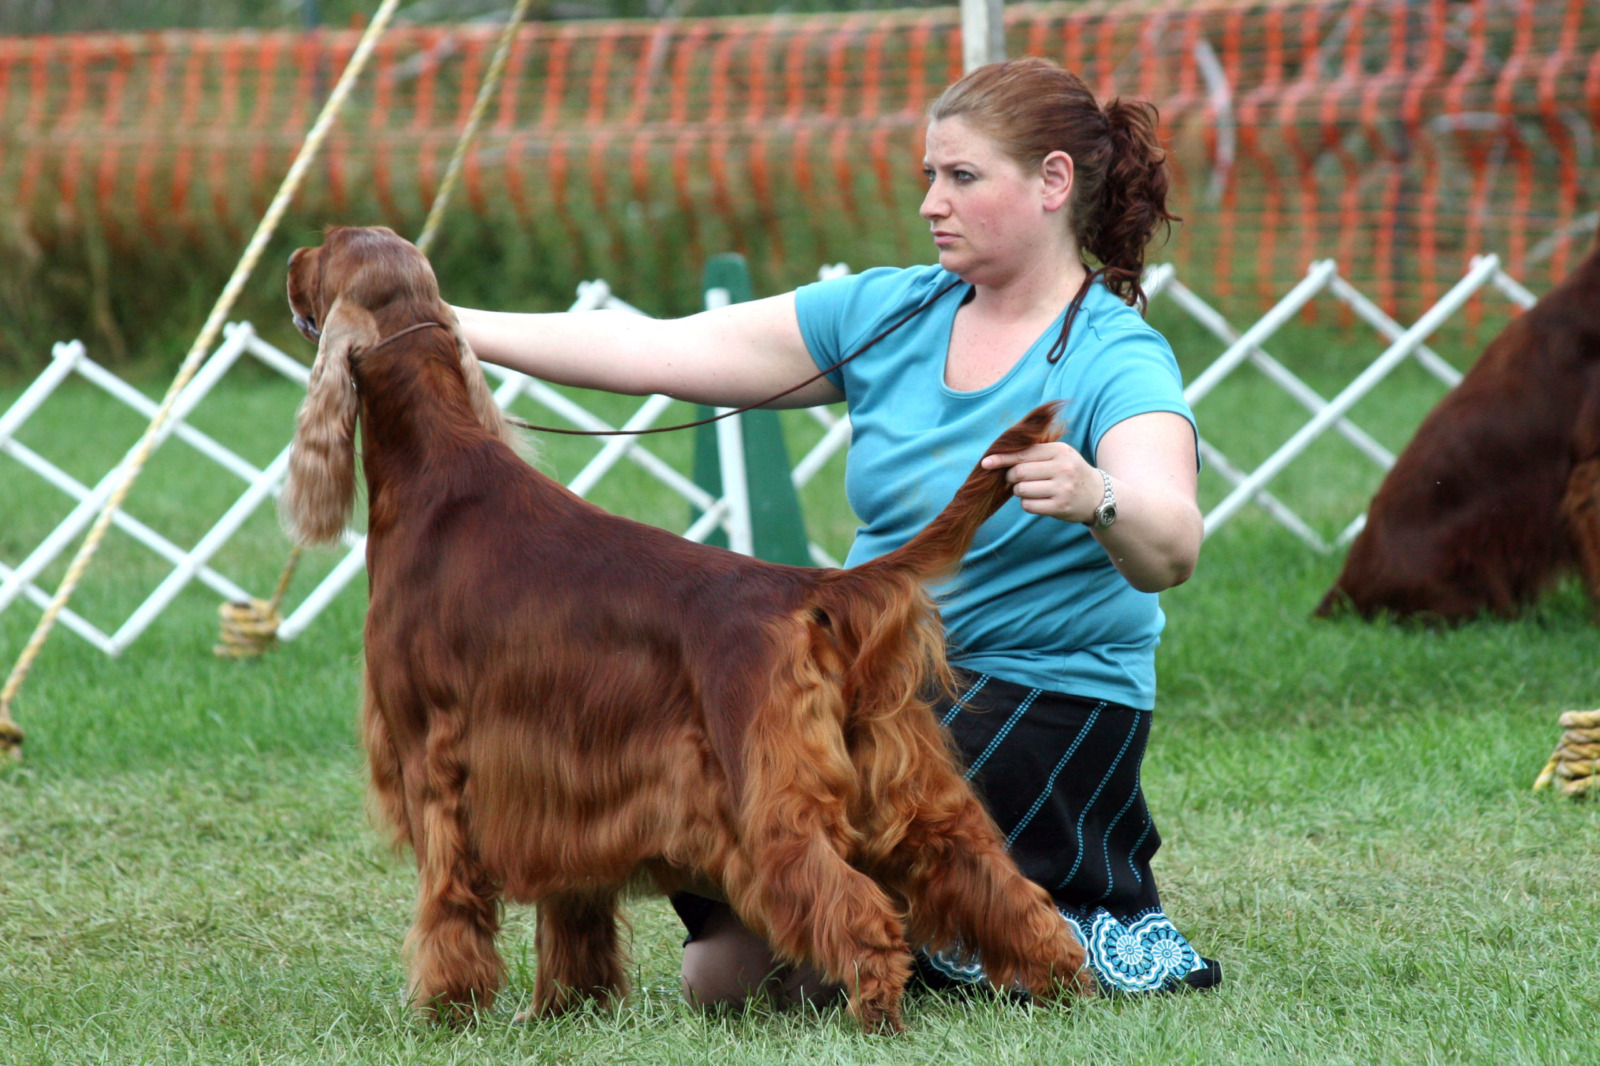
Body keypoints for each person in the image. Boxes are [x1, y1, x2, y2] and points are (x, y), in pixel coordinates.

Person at [453, 56, 1218, 1003]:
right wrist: (443, 321)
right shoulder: (890, 310)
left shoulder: (1115, 355)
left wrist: (1098, 493)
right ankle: (869, 926)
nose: (932, 203)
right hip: (873, 675)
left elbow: (1172, 544)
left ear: (1053, 181)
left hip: (1037, 698)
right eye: (928, 176)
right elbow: (657, 345)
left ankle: (959, 929)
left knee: (817, 931)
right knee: (721, 978)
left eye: (962, 176)